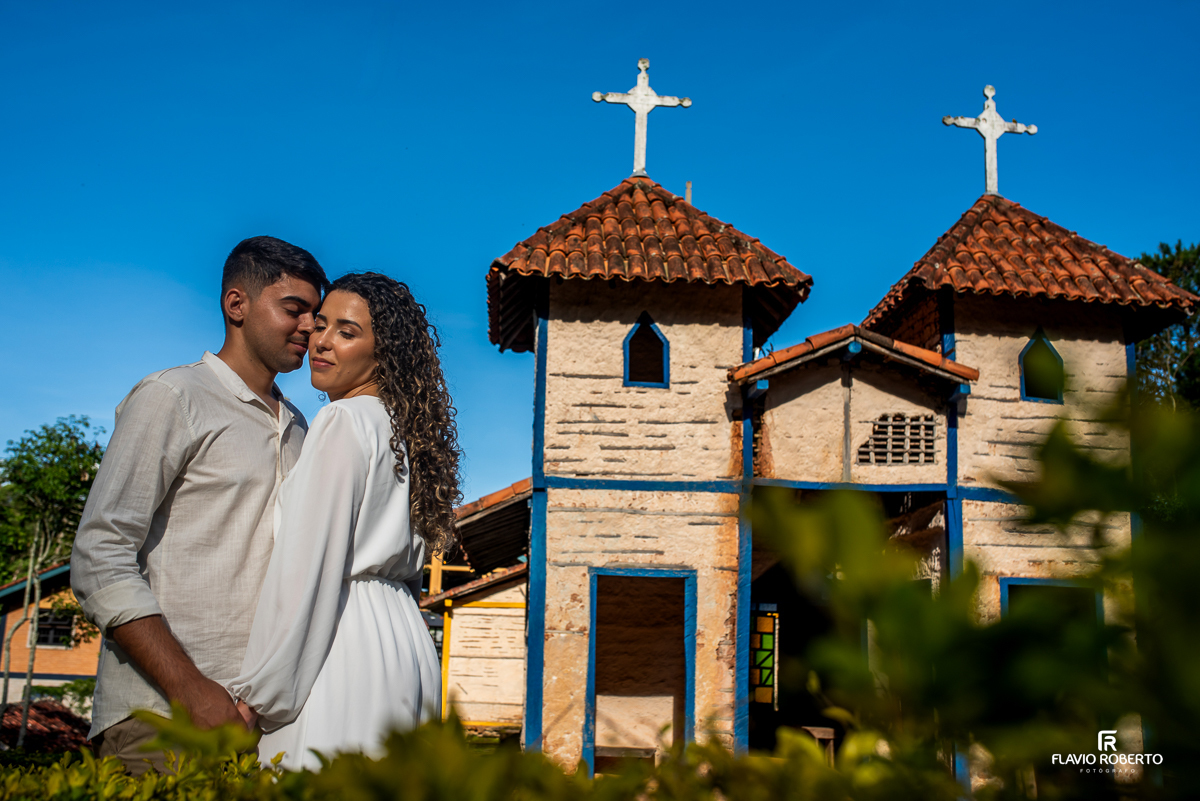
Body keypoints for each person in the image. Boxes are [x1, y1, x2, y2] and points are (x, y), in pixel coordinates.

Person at [71, 236, 328, 774]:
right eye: (294, 309)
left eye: (315, 313)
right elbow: (100, 556)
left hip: (263, 726)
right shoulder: (173, 396)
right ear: (236, 305)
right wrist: (192, 690)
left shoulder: (302, 428)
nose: (310, 327)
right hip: (161, 717)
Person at [228, 272, 460, 770]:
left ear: (384, 353)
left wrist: (258, 698)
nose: (322, 342)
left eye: (347, 332)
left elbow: (307, 571)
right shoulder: (406, 432)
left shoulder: (343, 421)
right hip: (406, 645)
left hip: (341, 643)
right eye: (321, 325)